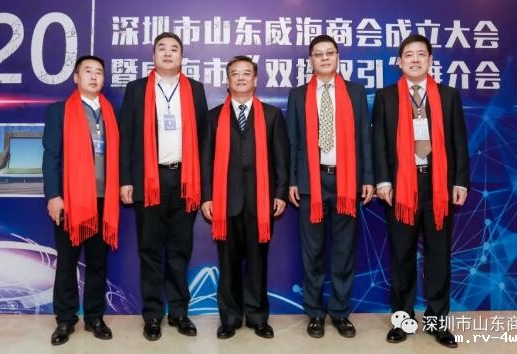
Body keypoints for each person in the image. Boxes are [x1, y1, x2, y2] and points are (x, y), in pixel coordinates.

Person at [373, 34, 469, 349]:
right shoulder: (386, 97)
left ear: (430, 60)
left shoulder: (448, 95)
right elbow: (379, 143)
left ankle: (437, 321)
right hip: (401, 186)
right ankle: (402, 319)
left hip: (438, 186)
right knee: (401, 256)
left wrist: (460, 181)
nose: (415, 60)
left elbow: (459, 141)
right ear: (399, 62)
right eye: (408, 55)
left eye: (421, 54)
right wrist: (383, 181)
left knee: (438, 256)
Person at [119, 32, 208, 341]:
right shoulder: (137, 89)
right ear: (153, 55)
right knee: (150, 250)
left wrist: (203, 184)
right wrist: (126, 179)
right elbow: (127, 136)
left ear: (182, 56)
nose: (168, 53)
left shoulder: (195, 89)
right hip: (149, 179)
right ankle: (153, 315)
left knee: (180, 251)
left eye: (174, 49)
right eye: (162, 48)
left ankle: (180, 313)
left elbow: (204, 140)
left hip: (184, 180)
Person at [286, 34, 374, 338]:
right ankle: (314, 313)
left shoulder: (355, 92)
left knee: (344, 252)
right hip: (311, 181)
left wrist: (368, 178)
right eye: (318, 54)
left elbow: (365, 138)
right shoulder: (298, 95)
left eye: (330, 53)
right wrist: (292, 180)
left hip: (347, 181)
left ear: (338, 57)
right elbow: (292, 142)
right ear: (310, 60)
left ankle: (340, 312)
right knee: (312, 253)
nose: (324, 58)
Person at [201, 56, 289, 340]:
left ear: (255, 79)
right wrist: (206, 197)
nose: (240, 78)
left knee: (257, 263)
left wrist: (280, 193)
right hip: (224, 202)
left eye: (246, 73)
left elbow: (281, 159)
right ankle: (229, 319)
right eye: (235, 74)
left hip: (261, 202)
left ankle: (258, 317)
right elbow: (206, 161)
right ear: (227, 81)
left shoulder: (272, 115)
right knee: (227, 264)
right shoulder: (213, 117)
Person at [42, 55, 120, 346]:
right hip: (71, 200)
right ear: (76, 77)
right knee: (67, 262)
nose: (94, 76)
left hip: (103, 200)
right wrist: (54, 196)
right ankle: (65, 319)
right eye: (87, 71)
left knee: (98, 262)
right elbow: (51, 156)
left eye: (99, 72)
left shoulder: (111, 113)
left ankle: (95, 317)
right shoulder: (60, 111)